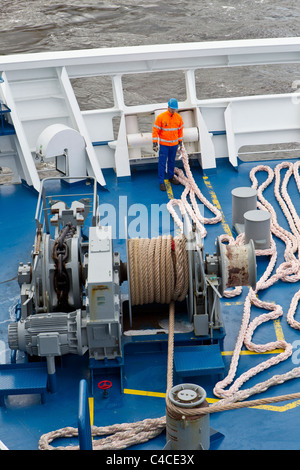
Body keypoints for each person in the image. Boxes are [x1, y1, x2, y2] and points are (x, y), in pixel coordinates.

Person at [152, 98, 183, 191]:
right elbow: (155, 131)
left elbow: (180, 130)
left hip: (174, 145)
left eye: (175, 109)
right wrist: (154, 143)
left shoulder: (178, 118)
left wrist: (180, 141)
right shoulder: (161, 117)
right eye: (172, 108)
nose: (173, 110)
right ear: (168, 107)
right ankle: (161, 182)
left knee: (172, 162)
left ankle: (171, 177)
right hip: (164, 145)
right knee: (162, 163)